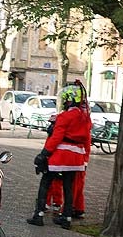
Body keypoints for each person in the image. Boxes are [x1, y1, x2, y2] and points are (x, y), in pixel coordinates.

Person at [27, 82, 92, 229]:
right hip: (77, 158)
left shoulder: (65, 116)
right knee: (68, 187)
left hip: (61, 155)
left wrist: (43, 154)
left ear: (70, 99)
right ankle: (66, 217)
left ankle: (39, 215)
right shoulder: (85, 117)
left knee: (45, 182)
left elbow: (56, 138)